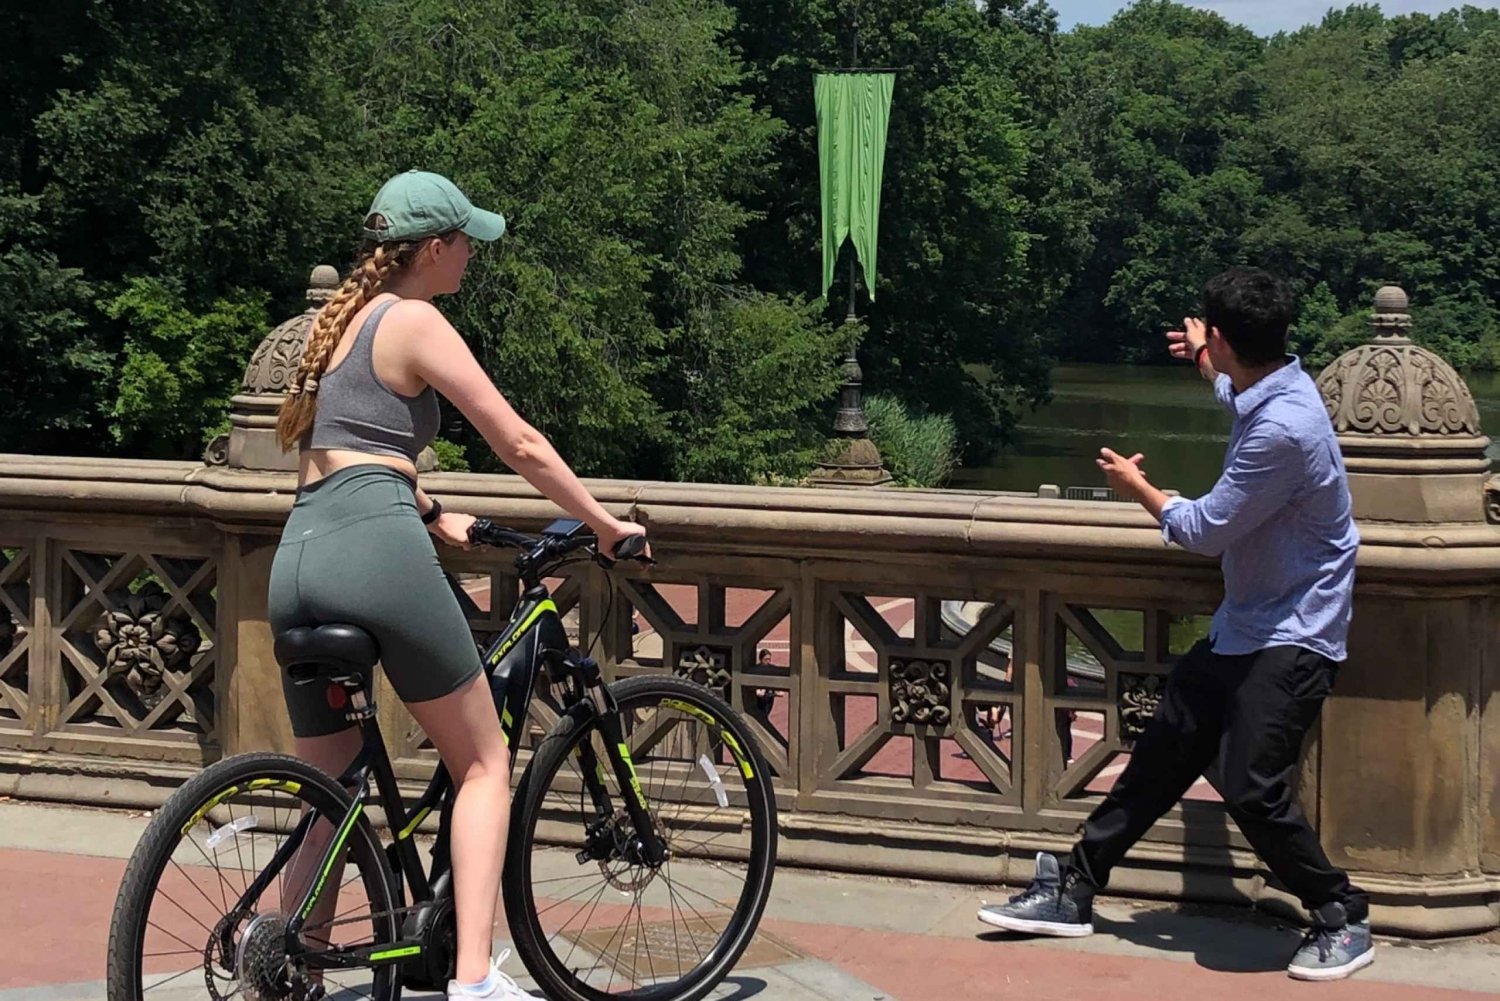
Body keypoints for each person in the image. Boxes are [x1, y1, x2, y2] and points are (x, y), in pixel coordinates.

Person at [269, 169, 648, 1000]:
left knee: (327, 794)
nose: (473, 255)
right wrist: (605, 522)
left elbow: (352, 449)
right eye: (466, 241)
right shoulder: (415, 320)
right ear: (434, 247)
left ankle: (286, 969)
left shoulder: (331, 330)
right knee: (483, 761)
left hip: (299, 554)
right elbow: (519, 441)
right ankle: (474, 979)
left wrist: (433, 508)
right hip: (374, 553)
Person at [976, 267, 1372, 982]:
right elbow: (1233, 390)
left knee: (1251, 782)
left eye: (1206, 332)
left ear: (1225, 335)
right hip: (1246, 622)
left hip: (1296, 629)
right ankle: (1075, 887)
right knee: (1164, 748)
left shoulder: (1284, 427)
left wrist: (1136, 489)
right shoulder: (1278, 383)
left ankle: (1341, 911)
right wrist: (1200, 356)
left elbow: (1205, 528)